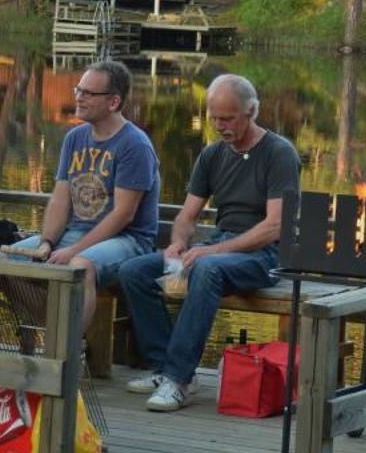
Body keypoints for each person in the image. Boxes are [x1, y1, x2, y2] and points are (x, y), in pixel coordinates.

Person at [117, 73, 300, 411]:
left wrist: (209, 251)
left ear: (252, 111)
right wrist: (178, 244)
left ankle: (178, 379)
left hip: (266, 256)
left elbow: (275, 226)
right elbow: (187, 216)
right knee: (133, 271)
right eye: (214, 117)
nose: (220, 125)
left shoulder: (279, 153)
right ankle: (164, 366)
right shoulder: (212, 154)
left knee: (206, 268)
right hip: (220, 248)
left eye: (228, 118)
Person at [18, 58, 160, 331]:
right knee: (5, 263)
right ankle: (52, 332)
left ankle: (69, 354)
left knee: (80, 267)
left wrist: (72, 250)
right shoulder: (75, 137)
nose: (79, 98)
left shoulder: (134, 145)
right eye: (78, 90)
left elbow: (123, 214)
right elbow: (61, 199)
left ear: (114, 102)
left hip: (128, 240)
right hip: (76, 234)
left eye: (88, 93)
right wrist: (47, 242)